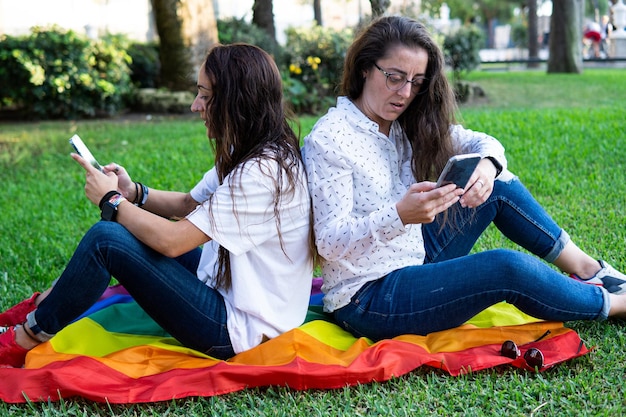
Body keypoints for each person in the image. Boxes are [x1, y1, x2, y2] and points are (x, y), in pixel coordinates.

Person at [303, 15, 626, 343]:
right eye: (394, 77)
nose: (404, 93)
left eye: (416, 82)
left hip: (416, 256)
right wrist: (400, 215)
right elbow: (329, 242)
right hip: (370, 298)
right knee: (504, 268)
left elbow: (485, 144)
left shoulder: (405, 122)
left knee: (497, 184)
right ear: (364, 68)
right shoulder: (331, 139)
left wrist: (486, 166)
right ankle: (614, 304)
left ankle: (590, 271)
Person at [0, 43, 314, 368]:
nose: (196, 106)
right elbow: (189, 203)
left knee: (106, 240)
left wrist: (112, 200)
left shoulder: (261, 173)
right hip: (229, 288)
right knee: (123, 231)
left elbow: (173, 242)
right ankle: (43, 306)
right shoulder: (254, 146)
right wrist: (133, 192)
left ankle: (27, 336)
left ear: (237, 101)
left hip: (241, 331)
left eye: (205, 96)